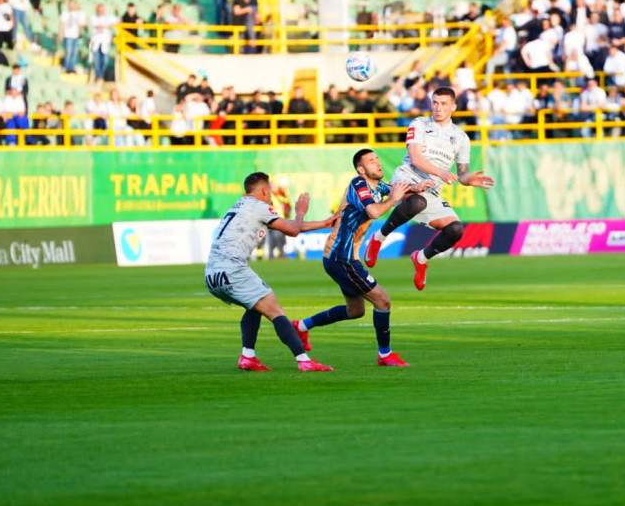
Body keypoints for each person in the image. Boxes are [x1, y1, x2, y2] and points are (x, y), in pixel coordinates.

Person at [294, 149, 431, 367]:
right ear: (361, 169)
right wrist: (394, 199)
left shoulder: (379, 187)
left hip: (343, 257)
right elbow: (374, 212)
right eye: (371, 161)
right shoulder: (358, 184)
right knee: (383, 301)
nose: (377, 163)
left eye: (377, 159)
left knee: (355, 311)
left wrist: (415, 188)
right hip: (342, 257)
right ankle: (385, 355)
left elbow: (395, 191)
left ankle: (300, 327)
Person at [363, 86, 495, 290]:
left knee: (455, 230)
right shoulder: (420, 124)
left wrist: (468, 179)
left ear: (453, 106)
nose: (438, 108)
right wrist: (441, 173)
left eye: (443, 104)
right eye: (435, 102)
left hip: (432, 189)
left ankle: (422, 258)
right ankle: (378, 237)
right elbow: (415, 159)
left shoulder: (461, 138)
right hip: (408, 177)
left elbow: (461, 174)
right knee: (416, 202)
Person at [204, 171, 338, 372]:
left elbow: (289, 227)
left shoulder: (239, 205)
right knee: (276, 311)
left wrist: (325, 223)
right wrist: (300, 211)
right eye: (270, 192)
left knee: (254, 306)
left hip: (211, 274)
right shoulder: (260, 207)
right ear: (264, 190)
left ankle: (248, 356)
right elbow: (293, 229)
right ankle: (304, 361)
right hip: (233, 268)